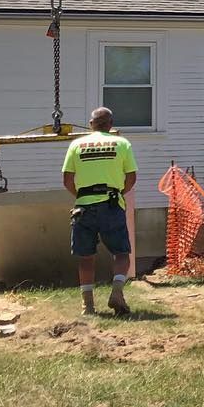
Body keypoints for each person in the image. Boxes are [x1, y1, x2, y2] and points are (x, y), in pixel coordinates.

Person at [62, 106, 137, 315]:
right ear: (111, 125)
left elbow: (67, 180)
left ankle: (88, 306)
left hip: (83, 208)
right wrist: (120, 192)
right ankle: (117, 292)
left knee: (86, 257)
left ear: (91, 124)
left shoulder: (76, 145)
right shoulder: (122, 143)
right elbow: (131, 177)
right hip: (111, 204)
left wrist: (81, 196)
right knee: (121, 253)